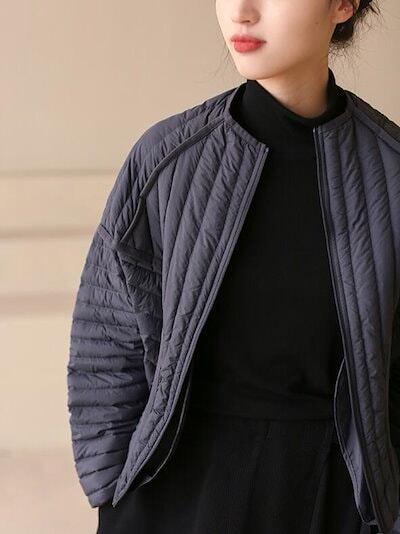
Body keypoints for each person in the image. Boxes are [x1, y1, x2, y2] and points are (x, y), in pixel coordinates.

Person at [67, 1, 400, 532]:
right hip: (176, 502)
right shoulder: (166, 159)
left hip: (333, 502)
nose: (241, 12)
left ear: (343, 4)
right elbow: (107, 338)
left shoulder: (390, 171)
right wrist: (114, 492)